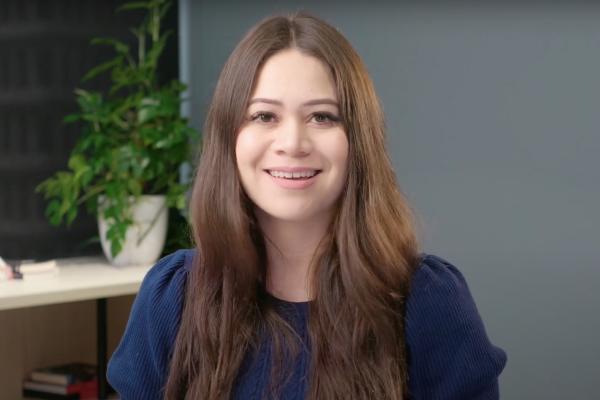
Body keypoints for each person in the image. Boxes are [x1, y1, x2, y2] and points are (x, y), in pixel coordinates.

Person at [107, 12, 507, 400]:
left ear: (358, 140)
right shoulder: (172, 296)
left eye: (321, 116)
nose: (293, 142)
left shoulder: (427, 300)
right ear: (229, 137)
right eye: (264, 115)